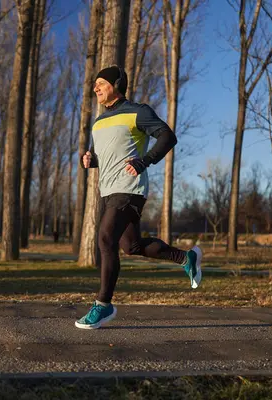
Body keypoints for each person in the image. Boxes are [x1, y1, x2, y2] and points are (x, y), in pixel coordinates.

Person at [75, 65, 202, 330]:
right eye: (94, 84)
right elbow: (108, 155)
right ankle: (185, 258)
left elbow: (168, 136)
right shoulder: (98, 122)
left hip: (130, 189)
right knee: (130, 246)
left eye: (101, 83)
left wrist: (145, 161)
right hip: (108, 191)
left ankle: (103, 305)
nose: (95, 88)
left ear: (117, 84)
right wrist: (91, 160)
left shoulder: (137, 112)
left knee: (105, 238)